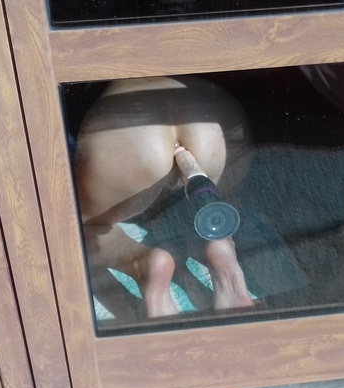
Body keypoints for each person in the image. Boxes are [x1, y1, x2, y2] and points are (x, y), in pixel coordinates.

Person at [74, 76, 254, 318]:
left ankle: (141, 261)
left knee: (82, 227)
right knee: (218, 210)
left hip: (128, 129)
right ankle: (222, 247)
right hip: (209, 117)